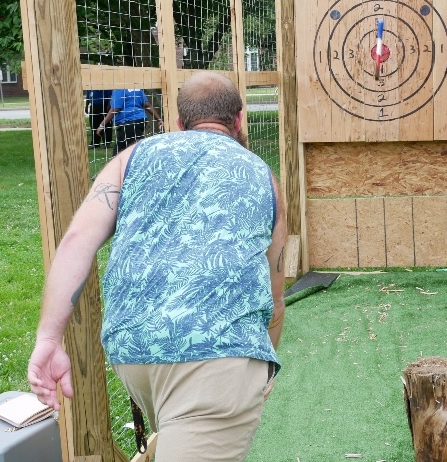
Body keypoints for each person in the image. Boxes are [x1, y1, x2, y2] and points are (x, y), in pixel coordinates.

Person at [28, 71, 287, 462]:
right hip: (219, 356)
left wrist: (49, 339)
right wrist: (262, 362)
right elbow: (274, 291)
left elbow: (77, 241)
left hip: (133, 353)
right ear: (238, 120)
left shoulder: (130, 158)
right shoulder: (263, 177)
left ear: (179, 124)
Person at [96, 88, 165, 155]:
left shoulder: (119, 89)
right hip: (138, 120)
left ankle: (155, 160)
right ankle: (115, 165)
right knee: (118, 152)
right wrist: (158, 119)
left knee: (139, 151)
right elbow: (147, 104)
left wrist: (102, 125)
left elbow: (115, 109)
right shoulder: (137, 88)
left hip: (129, 122)